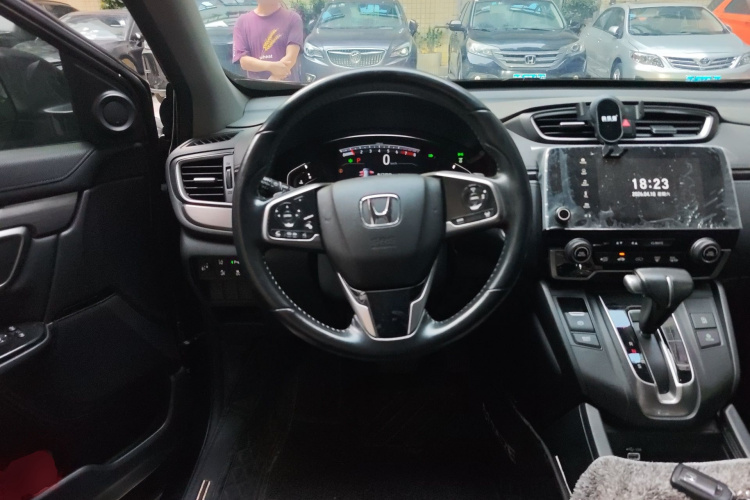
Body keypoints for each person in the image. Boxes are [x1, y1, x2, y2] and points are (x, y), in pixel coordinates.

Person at [232, 0, 304, 82]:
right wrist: (271, 67)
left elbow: (291, 58)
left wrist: (273, 79)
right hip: (255, 88)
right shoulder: (242, 22)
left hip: (288, 88)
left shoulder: (293, 18)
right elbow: (244, 62)